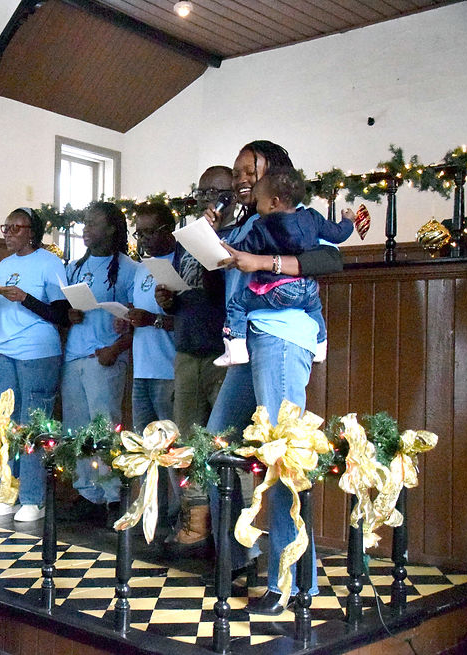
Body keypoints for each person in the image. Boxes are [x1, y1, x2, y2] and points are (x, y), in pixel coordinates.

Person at [205, 140, 343, 615]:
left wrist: (264, 263)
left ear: (272, 174)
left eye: (250, 170)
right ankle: (240, 555)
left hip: (282, 338)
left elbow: (331, 260)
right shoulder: (243, 222)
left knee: (284, 455)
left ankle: (292, 581)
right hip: (247, 342)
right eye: (238, 170)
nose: (241, 178)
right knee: (215, 446)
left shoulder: (297, 213)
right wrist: (209, 239)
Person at [153, 166, 234, 557]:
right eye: (202, 193)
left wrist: (212, 245)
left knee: (224, 443)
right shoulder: (187, 238)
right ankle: (195, 519)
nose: (208, 199)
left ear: (234, 193)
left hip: (225, 351)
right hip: (187, 349)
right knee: (186, 441)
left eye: (217, 191)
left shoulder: (239, 234)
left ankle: (229, 529)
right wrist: (169, 299)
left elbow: (225, 293)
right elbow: (191, 292)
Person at [0, 207, 68, 523]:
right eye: (6, 227)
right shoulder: (3, 265)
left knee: (32, 423)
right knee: (5, 423)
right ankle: (8, 493)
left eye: (16, 228)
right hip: (4, 351)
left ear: (32, 231)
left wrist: (25, 298)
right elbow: (2, 310)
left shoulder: (50, 263)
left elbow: (61, 313)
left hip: (38, 352)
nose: (9, 233)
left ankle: (33, 498)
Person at [214, 167, 354, 367]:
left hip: (277, 291)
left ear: (273, 202)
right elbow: (338, 234)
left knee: (238, 303)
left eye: (259, 200)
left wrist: (220, 246)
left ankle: (236, 349)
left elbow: (242, 251)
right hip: (308, 288)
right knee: (315, 308)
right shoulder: (312, 217)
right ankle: (320, 346)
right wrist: (348, 221)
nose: (257, 205)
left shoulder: (263, 226)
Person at [60, 201, 137, 521]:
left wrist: (116, 348)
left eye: (93, 224)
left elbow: (137, 318)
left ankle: (112, 494)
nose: (86, 230)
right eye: (84, 224)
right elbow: (66, 309)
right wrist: (70, 314)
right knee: (76, 430)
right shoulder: (74, 267)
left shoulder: (129, 268)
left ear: (112, 228)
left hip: (105, 358)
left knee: (104, 428)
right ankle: (86, 492)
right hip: (74, 356)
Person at [123, 201, 179, 528]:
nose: (142, 239)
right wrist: (128, 318)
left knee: (172, 450)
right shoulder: (143, 268)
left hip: (169, 371)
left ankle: (180, 518)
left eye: (148, 232)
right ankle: (149, 514)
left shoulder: (180, 264)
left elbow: (187, 321)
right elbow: (139, 310)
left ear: (167, 230)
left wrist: (154, 321)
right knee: (146, 449)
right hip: (142, 370)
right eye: (138, 232)